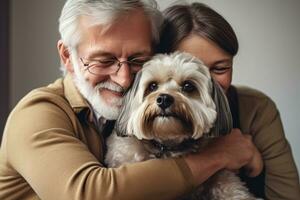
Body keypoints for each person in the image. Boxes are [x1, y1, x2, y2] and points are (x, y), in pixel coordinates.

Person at [0, 0, 262, 199]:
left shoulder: (126, 118)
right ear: (67, 56)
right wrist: (217, 157)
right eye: (104, 60)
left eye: (138, 60)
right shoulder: (37, 113)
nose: (124, 79)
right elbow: (89, 193)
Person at [157, 2, 300, 200]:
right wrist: (218, 156)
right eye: (191, 74)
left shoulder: (256, 108)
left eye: (220, 69)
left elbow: (287, 195)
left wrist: (257, 170)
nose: (208, 85)